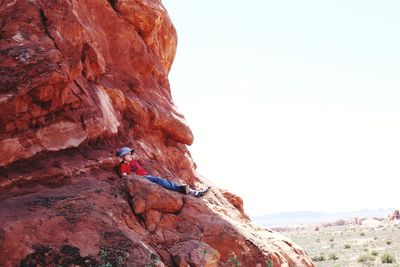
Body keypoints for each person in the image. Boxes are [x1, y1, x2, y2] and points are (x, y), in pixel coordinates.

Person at [116, 147, 209, 198]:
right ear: (123, 156)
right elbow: (125, 177)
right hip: (141, 179)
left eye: (130, 153)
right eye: (128, 154)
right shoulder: (124, 165)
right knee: (160, 180)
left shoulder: (133, 162)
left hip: (146, 177)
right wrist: (133, 176)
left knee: (163, 181)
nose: (130, 155)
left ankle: (193, 192)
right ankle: (184, 190)